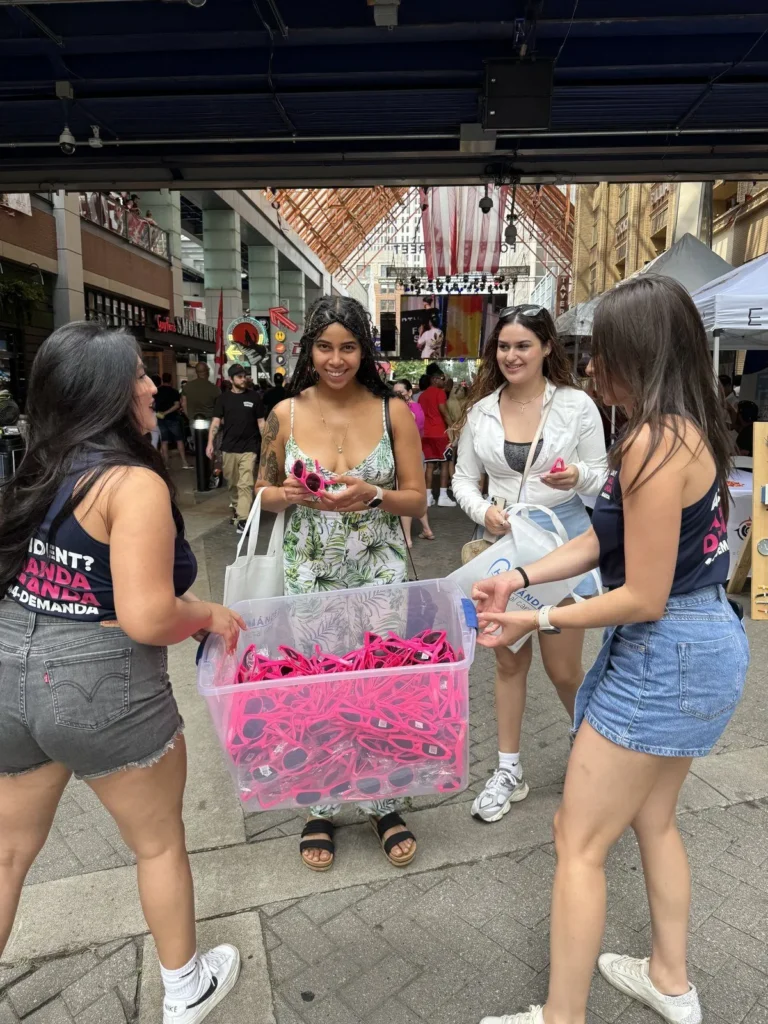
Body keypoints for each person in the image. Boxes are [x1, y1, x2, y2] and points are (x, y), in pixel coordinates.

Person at [473, 276, 746, 1024]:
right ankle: (670, 980)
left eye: (606, 352)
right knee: (653, 820)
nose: (592, 367)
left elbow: (643, 596)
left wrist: (535, 620)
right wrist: (521, 578)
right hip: (701, 643)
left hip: (666, 651)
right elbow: (606, 539)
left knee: (579, 839)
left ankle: (562, 1016)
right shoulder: (684, 428)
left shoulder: (653, 440)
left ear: (643, 352)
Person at [0, 322, 247, 1024]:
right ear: (105, 392)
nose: (149, 387)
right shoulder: (129, 483)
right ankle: (185, 989)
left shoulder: (34, 468)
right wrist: (208, 614)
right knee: (158, 843)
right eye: (138, 374)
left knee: (7, 854)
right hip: (102, 687)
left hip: (11, 673)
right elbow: (148, 617)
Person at [254, 295, 426, 873]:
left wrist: (374, 494)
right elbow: (258, 493)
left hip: (380, 565)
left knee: (379, 683)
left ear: (364, 351)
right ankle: (322, 803)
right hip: (311, 565)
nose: (335, 359)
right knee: (321, 686)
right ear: (309, 350)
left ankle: (382, 800)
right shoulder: (283, 413)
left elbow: (417, 499)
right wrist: (285, 494)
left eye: (348, 347)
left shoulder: (393, 411)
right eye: (324, 347)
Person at [452, 302, 607, 824]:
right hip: (502, 547)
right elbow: (462, 479)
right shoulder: (481, 411)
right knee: (508, 661)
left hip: (562, 545)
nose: (512, 355)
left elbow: (602, 474)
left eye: (523, 345)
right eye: (503, 346)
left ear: (546, 348)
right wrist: (483, 511)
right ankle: (508, 769)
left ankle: (592, 750)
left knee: (563, 668)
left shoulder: (576, 405)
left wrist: (577, 477)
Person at [206, 364, 265, 532]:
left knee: (245, 484)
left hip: (249, 447)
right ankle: (237, 508)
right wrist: (210, 443)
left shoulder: (254, 397)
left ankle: (243, 520)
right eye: (239, 377)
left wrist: (267, 444)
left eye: (244, 376)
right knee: (232, 484)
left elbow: (261, 422)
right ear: (231, 379)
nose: (243, 379)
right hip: (229, 448)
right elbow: (216, 422)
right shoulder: (223, 399)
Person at [393, 378, 434, 545]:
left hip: (403, 456)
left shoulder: (402, 411)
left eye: (400, 392)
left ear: (409, 392)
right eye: (394, 392)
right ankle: (426, 529)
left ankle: (407, 538)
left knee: (404, 496)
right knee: (417, 494)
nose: (397, 395)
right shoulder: (418, 408)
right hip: (418, 454)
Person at [419, 366, 456, 507]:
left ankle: (428, 497)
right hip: (440, 433)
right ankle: (443, 496)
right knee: (445, 463)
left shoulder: (422, 395)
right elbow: (444, 412)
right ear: (434, 379)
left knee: (429, 465)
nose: (444, 381)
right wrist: (452, 428)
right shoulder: (439, 393)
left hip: (426, 434)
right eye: (442, 378)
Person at [155, 373, 191, 471]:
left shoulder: (157, 391)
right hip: (173, 418)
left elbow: (153, 405)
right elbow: (177, 405)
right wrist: (166, 412)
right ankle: (184, 462)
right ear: (171, 380)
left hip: (160, 419)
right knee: (179, 440)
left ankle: (166, 465)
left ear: (162, 380)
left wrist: (160, 413)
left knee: (164, 441)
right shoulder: (174, 391)